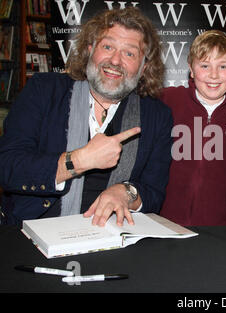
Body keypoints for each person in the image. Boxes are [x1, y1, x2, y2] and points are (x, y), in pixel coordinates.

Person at [0, 7, 173, 227]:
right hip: (32, 234)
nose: (115, 60)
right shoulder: (43, 91)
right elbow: (7, 167)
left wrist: (126, 192)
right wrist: (78, 161)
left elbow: (154, 193)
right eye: (107, 47)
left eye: (129, 53)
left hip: (112, 240)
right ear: (90, 49)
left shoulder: (157, 115)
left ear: (144, 67)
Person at [159, 30, 226, 226]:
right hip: (165, 222)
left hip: (223, 226)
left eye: (223, 66)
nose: (213, 75)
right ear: (191, 69)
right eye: (205, 66)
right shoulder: (166, 101)